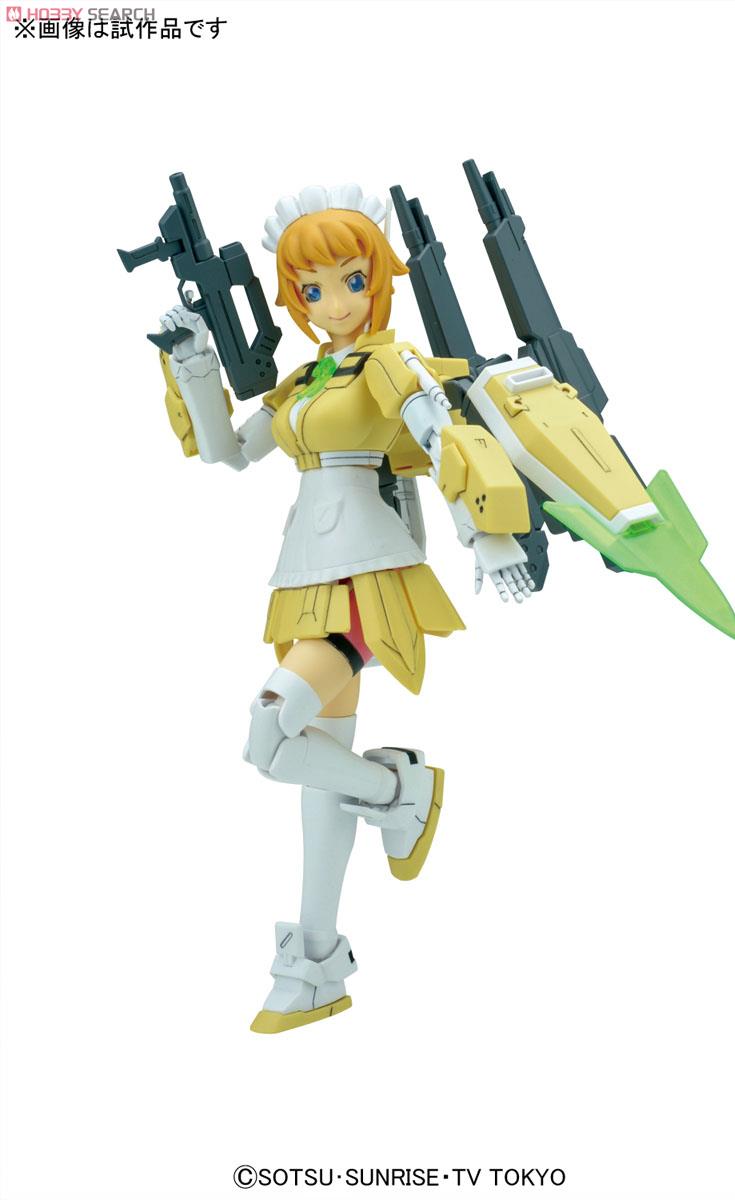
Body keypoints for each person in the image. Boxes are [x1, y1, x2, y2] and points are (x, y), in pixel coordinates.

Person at [157, 183, 534, 1033]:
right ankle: (318, 963)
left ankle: (398, 788)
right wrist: (194, 359)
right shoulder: (306, 378)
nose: (333, 303)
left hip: (368, 569)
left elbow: (444, 437)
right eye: (313, 288)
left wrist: (489, 530)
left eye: (352, 280)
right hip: (303, 577)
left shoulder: (391, 364)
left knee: (270, 732)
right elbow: (227, 452)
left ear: (379, 279)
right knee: (314, 778)